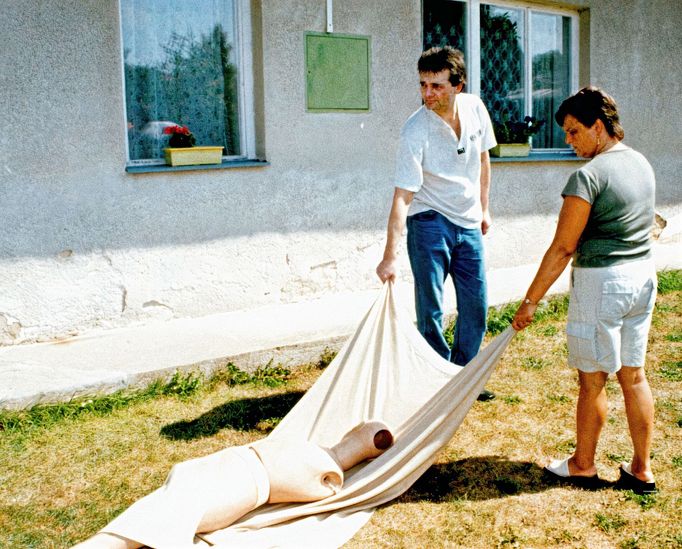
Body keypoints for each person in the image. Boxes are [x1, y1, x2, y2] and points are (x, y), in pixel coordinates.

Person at [511, 86, 658, 494]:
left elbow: (562, 248)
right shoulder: (641, 163)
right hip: (642, 278)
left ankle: (583, 465)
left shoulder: (588, 176)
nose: (568, 140)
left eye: (574, 132)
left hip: (603, 285)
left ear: (599, 126)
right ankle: (641, 470)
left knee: (592, 380)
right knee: (633, 375)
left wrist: (530, 302)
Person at [376, 46, 497, 401]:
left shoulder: (475, 109)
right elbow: (403, 196)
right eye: (423, 85)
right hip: (429, 221)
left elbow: (484, 161)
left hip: (468, 220)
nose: (428, 93)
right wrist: (389, 256)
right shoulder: (415, 130)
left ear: (458, 85)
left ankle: (464, 375)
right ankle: (436, 377)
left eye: (437, 86)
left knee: (476, 303)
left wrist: (485, 209)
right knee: (430, 306)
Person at [72, 421, 393, 549]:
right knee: (168, 507)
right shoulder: (316, 469)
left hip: (233, 478)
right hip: (229, 473)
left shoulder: (316, 469)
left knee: (170, 509)